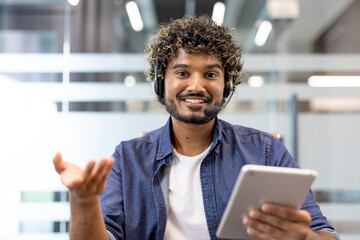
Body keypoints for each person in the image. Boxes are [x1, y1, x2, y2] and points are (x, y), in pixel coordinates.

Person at [53, 16, 339, 240]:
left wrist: (303, 237)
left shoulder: (264, 152)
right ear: (160, 81)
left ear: (226, 86)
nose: (196, 86)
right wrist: (84, 201)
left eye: (211, 74)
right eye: (182, 72)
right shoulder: (128, 159)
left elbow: (325, 234)